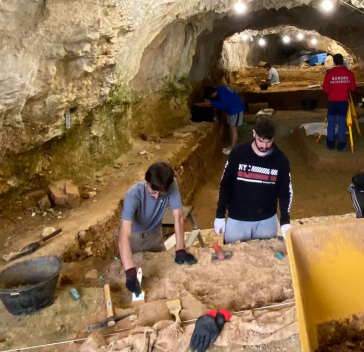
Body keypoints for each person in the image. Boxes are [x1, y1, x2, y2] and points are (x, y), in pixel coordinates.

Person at [119, 162, 197, 298]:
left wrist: (180, 250)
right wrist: (130, 272)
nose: (156, 197)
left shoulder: (170, 184)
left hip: (155, 234)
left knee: (159, 278)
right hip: (135, 238)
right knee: (140, 279)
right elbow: (124, 235)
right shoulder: (133, 194)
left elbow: (178, 217)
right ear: (146, 181)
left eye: (161, 193)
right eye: (153, 192)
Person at [215, 115, 293, 243]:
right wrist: (220, 214)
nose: (264, 146)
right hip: (237, 219)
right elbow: (226, 185)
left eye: (269, 141)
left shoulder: (281, 160)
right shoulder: (238, 154)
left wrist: (285, 221)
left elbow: (285, 192)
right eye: (260, 140)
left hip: (267, 221)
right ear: (254, 133)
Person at [322, 53, 356, 151]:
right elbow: (353, 88)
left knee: (331, 122)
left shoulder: (329, 74)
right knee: (341, 123)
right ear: (343, 61)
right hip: (343, 102)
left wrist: (333, 91)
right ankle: (341, 144)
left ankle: (330, 143)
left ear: (334, 61)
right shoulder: (349, 73)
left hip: (332, 101)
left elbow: (325, 90)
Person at [205, 85, 245, 155]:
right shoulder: (220, 89)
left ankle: (233, 148)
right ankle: (231, 146)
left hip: (236, 110)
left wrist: (211, 103)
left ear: (212, 94)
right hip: (231, 110)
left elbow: (222, 106)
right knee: (231, 129)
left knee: (234, 129)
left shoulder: (222, 93)